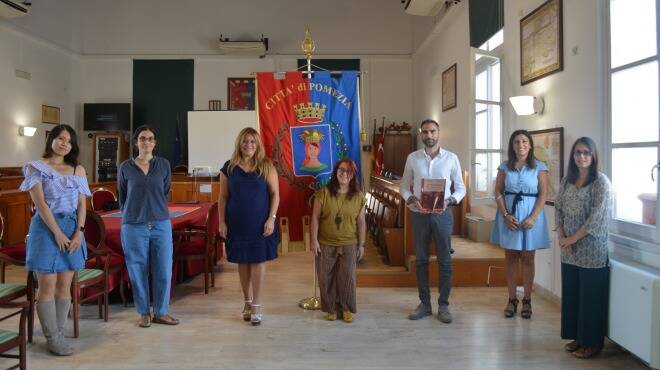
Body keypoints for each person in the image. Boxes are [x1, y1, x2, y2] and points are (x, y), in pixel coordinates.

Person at [20, 124, 91, 356]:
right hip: (45, 228)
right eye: (60, 138)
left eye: (69, 141)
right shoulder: (35, 168)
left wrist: (79, 231)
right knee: (47, 285)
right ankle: (52, 338)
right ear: (51, 139)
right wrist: (57, 233)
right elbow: (40, 205)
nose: (64, 144)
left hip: (72, 228)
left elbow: (82, 204)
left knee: (64, 285)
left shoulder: (77, 169)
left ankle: (58, 333)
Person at [399, 119, 466, 323]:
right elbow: (404, 187)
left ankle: (444, 306)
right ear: (421, 134)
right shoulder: (413, 158)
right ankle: (425, 304)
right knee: (421, 261)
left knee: (445, 261)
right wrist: (411, 199)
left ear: (439, 133)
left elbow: (461, 188)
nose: (429, 135)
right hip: (419, 215)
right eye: (426, 132)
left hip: (442, 214)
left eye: (433, 131)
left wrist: (450, 200)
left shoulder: (451, 158)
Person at [555, 137, 611, 359]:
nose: (582, 157)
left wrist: (572, 239)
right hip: (568, 249)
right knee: (573, 295)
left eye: (587, 152)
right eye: (578, 152)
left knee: (590, 297)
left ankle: (592, 343)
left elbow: (597, 218)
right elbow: (558, 207)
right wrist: (561, 235)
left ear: (594, 156)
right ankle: (578, 337)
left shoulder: (601, 183)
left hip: (591, 250)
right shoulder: (567, 180)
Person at [118, 125, 179, 328]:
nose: (146, 142)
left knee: (163, 269)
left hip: (161, 223)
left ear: (155, 143)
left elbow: (165, 191)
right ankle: (144, 312)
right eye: (142, 138)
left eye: (150, 138)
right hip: (133, 225)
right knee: (137, 270)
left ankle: (161, 312)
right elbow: (123, 196)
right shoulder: (125, 167)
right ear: (136, 142)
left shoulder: (164, 165)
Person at [218, 127, 279, 326]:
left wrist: (271, 218)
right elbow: (223, 198)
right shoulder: (229, 167)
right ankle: (247, 302)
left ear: (258, 144)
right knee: (243, 262)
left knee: (258, 261)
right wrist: (221, 221)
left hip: (260, 224)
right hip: (236, 223)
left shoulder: (266, 165)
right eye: (245, 141)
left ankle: (257, 305)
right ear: (239, 144)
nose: (249, 145)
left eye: (253, 141)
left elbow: (275, 194)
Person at [490, 130, 550, 319]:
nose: (521, 145)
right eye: (516, 142)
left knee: (528, 258)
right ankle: (511, 299)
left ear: (530, 145)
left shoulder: (540, 167)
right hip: (510, 216)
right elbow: (498, 191)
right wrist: (506, 214)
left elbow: (543, 194)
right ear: (512, 145)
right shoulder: (504, 166)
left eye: (524, 141)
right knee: (511, 258)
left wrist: (533, 217)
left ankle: (527, 301)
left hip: (531, 217)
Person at [310, 159, 366, 323]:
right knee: (325, 277)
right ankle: (331, 308)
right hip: (326, 242)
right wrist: (314, 240)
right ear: (335, 171)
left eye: (348, 171)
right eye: (341, 170)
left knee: (347, 277)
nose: (344, 174)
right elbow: (315, 217)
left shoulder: (358, 196)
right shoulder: (324, 192)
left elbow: (361, 221)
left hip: (349, 243)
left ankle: (346, 307)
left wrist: (361, 244)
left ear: (353, 175)